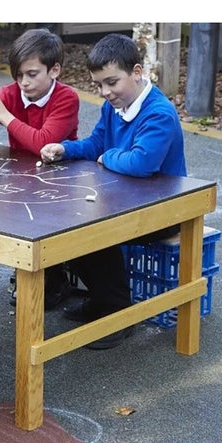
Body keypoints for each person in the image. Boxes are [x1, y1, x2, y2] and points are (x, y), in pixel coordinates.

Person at [40, 33, 187, 349]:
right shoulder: (115, 106)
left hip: (164, 209)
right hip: (127, 199)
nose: (105, 92)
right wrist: (65, 149)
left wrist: (108, 157)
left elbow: (141, 162)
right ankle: (101, 299)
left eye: (112, 82)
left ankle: (118, 313)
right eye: (99, 85)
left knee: (93, 232)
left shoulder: (158, 112)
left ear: (136, 72)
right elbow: (96, 143)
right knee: (67, 220)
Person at [0, 28, 80, 309]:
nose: (24, 82)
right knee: (14, 218)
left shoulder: (66, 98)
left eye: (32, 74)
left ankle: (56, 275)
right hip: (23, 176)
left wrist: (3, 114)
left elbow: (43, 142)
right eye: (18, 75)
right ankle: (28, 274)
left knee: (48, 226)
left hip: (61, 176)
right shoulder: (10, 94)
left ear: (54, 70)